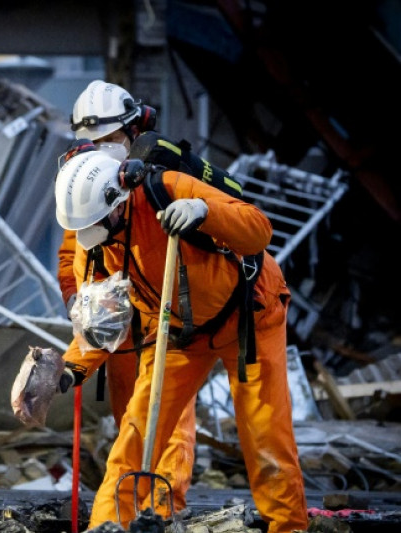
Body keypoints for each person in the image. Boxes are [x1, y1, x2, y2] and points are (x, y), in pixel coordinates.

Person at [55, 149, 307, 532]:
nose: (92, 235)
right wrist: (71, 368)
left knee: (265, 435)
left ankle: (288, 527)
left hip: (249, 318)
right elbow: (101, 316)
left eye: (97, 223)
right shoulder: (95, 243)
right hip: (177, 331)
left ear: (119, 200)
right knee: (136, 433)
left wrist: (205, 211)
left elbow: (258, 230)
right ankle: (107, 526)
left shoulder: (167, 189)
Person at [54, 80, 198, 518]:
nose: (101, 148)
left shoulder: (164, 176)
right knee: (130, 425)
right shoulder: (83, 181)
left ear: (135, 130)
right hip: (116, 327)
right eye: (92, 141)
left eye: (110, 140)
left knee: (171, 424)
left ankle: (165, 510)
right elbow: (71, 252)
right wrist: (79, 303)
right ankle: (128, 511)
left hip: (167, 320)